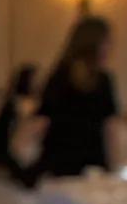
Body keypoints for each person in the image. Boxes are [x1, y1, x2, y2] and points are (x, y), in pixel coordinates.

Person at [37, 16, 119, 176]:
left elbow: (43, 116)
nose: (110, 48)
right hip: (90, 161)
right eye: (107, 42)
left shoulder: (58, 76)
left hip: (56, 160)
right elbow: (109, 126)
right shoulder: (102, 80)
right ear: (95, 44)